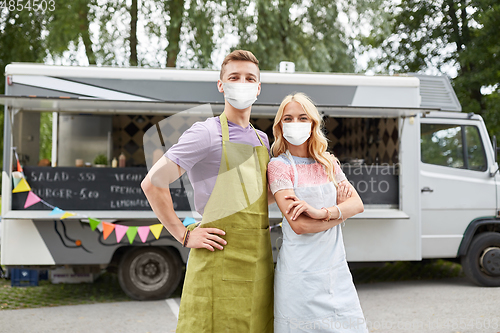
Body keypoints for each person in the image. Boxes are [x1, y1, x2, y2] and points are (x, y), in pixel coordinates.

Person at [141, 50, 274, 332]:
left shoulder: (262, 140)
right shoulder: (206, 133)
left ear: (259, 88)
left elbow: (261, 196)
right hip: (217, 260)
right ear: (221, 84)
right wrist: (183, 234)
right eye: (234, 77)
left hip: (257, 264)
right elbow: (153, 183)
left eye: (250, 78)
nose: (242, 82)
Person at [268, 93, 368, 332]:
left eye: (302, 117)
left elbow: (358, 204)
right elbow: (300, 226)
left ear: (313, 123)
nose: (295, 123)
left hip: (335, 270)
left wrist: (318, 212)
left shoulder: (328, 163)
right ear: (279, 126)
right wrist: (339, 212)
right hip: (300, 274)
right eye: (288, 118)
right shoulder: (279, 166)